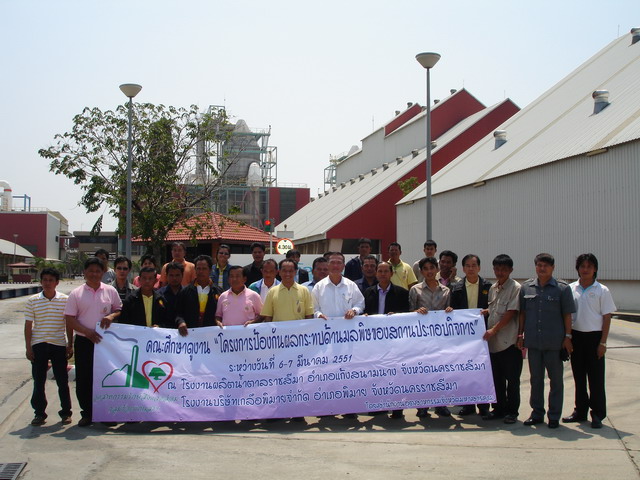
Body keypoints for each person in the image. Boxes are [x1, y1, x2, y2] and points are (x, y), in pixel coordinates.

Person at [518, 253, 576, 429]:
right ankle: (537, 413)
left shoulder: (562, 289)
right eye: (539, 265)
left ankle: (554, 416)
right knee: (536, 380)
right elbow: (523, 314)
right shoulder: (526, 288)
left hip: (554, 343)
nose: (542, 268)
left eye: (546, 266)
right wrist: (520, 335)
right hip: (534, 343)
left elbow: (567, 315)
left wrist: (568, 337)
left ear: (553, 268)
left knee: (556, 381)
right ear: (535, 266)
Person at [64, 257, 121, 427]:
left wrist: (111, 316)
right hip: (84, 341)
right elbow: (70, 319)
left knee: (106, 377)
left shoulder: (110, 291)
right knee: (84, 378)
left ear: (103, 272)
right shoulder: (76, 294)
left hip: (105, 342)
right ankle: (87, 414)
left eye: (98, 271)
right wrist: (87, 332)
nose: (94, 274)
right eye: (91, 271)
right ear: (85, 272)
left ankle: (105, 414)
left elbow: (119, 309)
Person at [563, 253, 616, 429]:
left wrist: (603, 343)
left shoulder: (602, 290)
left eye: (589, 267)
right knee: (579, 378)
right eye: (582, 266)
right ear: (577, 268)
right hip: (576, 337)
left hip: (595, 339)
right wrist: (568, 337)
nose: (585, 270)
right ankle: (580, 411)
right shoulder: (571, 289)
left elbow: (607, 317)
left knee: (596, 379)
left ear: (595, 269)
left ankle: (598, 414)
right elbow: (567, 315)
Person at [24, 268, 73, 426]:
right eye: (45, 280)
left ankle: (66, 412)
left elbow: (69, 324)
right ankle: (39, 413)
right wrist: (28, 348)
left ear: (57, 282)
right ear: (41, 281)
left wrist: (70, 344)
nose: (47, 283)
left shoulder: (65, 300)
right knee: (38, 381)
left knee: (62, 381)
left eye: (51, 280)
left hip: (58, 344)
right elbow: (28, 326)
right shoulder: (32, 300)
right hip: (39, 345)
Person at [363, 261, 409, 420]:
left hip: (395, 342)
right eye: (380, 271)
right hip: (374, 342)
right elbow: (364, 312)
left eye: (385, 271)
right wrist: (364, 317)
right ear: (376, 273)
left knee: (396, 374)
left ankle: (397, 408)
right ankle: (378, 405)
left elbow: (407, 316)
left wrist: (397, 317)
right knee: (377, 373)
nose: (382, 274)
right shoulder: (368, 292)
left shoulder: (402, 293)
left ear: (391, 273)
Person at [409, 256, 453, 418]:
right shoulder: (415, 290)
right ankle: (422, 405)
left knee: (441, 372)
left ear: (437, 269)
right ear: (421, 271)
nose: (429, 272)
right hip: (422, 339)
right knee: (423, 373)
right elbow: (409, 313)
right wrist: (416, 312)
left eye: (432, 268)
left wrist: (449, 311)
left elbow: (449, 313)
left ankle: (441, 404)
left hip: (440, 339)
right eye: (425, 269)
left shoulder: (446, 291)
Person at [450, 254, 492, 417]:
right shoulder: (456, 287)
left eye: (474, 265)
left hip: (483, 335)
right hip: (464, 337)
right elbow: (452, 309)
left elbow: (494, 307)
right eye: (467, 266)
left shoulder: (488, 286)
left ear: (479, 267)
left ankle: (484, 406)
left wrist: (488, 311)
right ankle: (468, 405)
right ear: (463, 268)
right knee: (466, 371)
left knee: (482, 371)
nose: (471, 268)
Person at [482, 254, 522, 424]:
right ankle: (498, 409)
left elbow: (511, 313)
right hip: (493, 344)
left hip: (509, 342)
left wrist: (493, 330)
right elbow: (494, 309)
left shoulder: (516, 288)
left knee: (512, 380)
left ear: (511, 270)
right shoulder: (493, 288)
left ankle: (512, 412)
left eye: (504, 269)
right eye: (497, 269)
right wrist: (485, 312)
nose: (500, 272)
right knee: (496, 379)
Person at [253, 259, 314, 323]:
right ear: (279, 272)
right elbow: (268, 316)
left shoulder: (304, 290)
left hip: (299, 329)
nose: (287, 274)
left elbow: (309, 315)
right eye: (284, 271)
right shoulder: (272, 292)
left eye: (290, 271)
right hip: (278, 329)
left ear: (295, 272)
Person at [176, 255, 223, 336]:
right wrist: (181, 322)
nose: (201, 271)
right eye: (198, 268)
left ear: (210, 270)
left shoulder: (219, 292)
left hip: (211, 336)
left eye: (204, 269)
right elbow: (178, 313)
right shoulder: (185, 291)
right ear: (195, 270)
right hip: (189, 335)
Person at [313, 252, 365, 321]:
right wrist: (318, 315)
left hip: (347, 326)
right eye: (332, 262)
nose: (335, 266)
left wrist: (354, 311)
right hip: (325, 325)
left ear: (343, 266)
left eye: (339, 263)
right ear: (328, 265)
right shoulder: (318, 287)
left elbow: (360, 303)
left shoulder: (351, 285)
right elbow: (313, 308)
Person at [159, 262, 184, 327]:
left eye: (177, 275)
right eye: (171, 275)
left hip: (184, 329)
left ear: (182, 275)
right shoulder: (159, 294)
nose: (174, 278)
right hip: (164, 330)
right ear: (166, 276)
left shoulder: (188, 293)